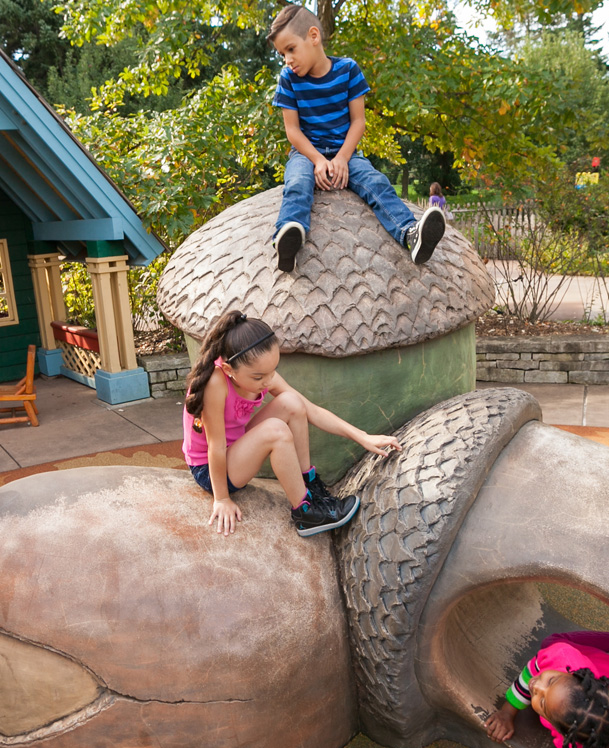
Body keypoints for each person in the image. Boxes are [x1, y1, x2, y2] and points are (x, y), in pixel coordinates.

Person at [182, 310, 401, 537]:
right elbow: (216, 447)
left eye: (273, 371)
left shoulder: (262, 374)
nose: (268, 381)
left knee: (292, 402)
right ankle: (305, 513)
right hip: (210, 469)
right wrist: (221, 499)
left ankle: (309, 486)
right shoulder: (215, 383)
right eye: (258, 377)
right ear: (229, 369)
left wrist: (362, 436)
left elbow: (311, 410)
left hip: (235, 449)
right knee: (275, 431)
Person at [268, 3, 445, 272]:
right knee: (297, 183)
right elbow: (292, 131)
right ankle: (288, 239)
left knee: (376, 182)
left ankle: (411, 234)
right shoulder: (288, 79)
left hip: (347, 152)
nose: (287, 60)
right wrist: (317, 160)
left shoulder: (348, 70)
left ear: (313, 36)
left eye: (290, 49)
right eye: (282, 54)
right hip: (306, 153)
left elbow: (358, 121)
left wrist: (342, 158)